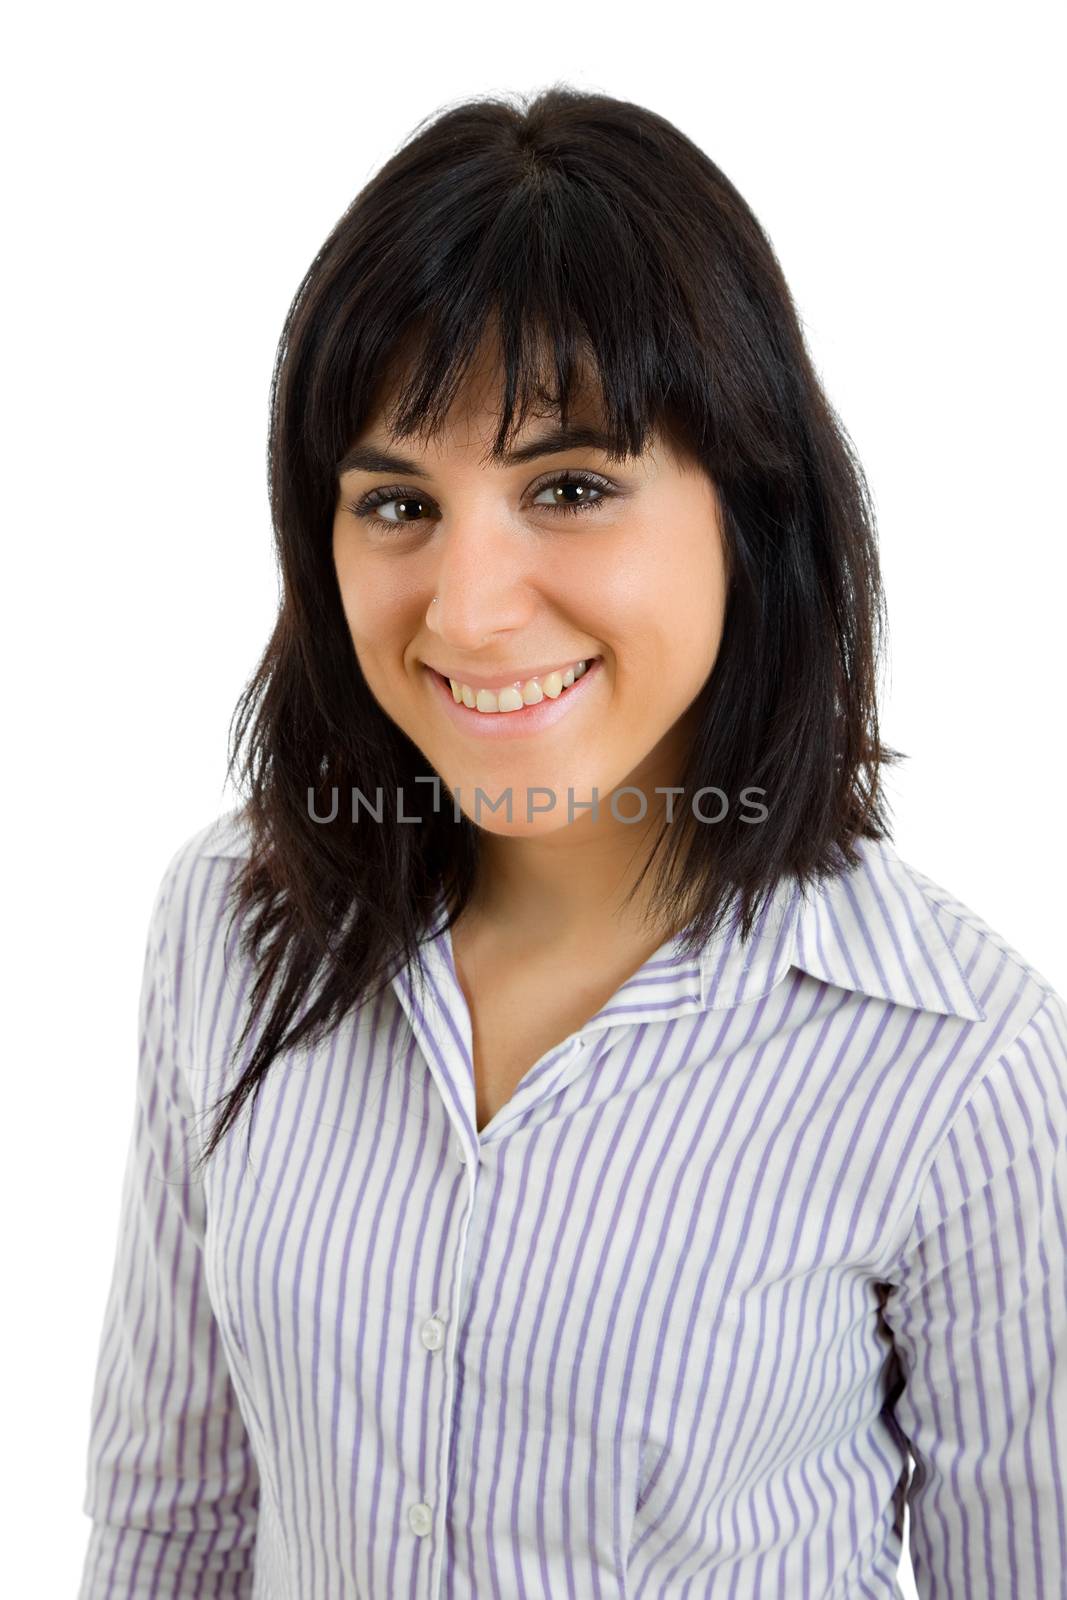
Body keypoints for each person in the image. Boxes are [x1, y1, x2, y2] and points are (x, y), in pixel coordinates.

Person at [76, 85, 1066, 1599]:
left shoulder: (962, 1060)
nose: (468, 610)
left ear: (753, 508)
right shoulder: (226, 928)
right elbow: (174, 1530)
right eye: (397, 502)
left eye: (572, 487)